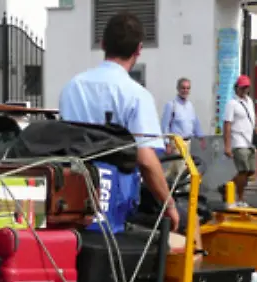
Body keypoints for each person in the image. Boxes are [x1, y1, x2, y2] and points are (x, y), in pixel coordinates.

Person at [59, 11, 180, 234]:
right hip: (111, 207)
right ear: (139, 50)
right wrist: (169, 204)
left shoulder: (72, 87)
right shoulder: (136, 95)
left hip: (69, 202)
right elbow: (145, 160)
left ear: (103, 43)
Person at [222, 75, 257, 208]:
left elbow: (251, 120)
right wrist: (227, 146)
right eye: (242, 87)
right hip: (238, 141)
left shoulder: (249, 101)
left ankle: (227, 189)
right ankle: (240, 198)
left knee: (250, 171)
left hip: (249, 142)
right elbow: (227, 125)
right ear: (236, 88)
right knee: (242, 170)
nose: (245, 89)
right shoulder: (232, 104)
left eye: (247, 87)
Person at [161, 77, 207, 180]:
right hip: (176, 143)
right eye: (183, 88)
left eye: (187, 88)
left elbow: (195, 122)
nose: (185, 90)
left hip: (187, 143)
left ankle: (156, 186)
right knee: (184, 171)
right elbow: (165, 125)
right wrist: (167, 143)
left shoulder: (190, 105)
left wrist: (201, 137)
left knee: (172, 171)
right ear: (178, 89)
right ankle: (185, 192)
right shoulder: (171, 105)